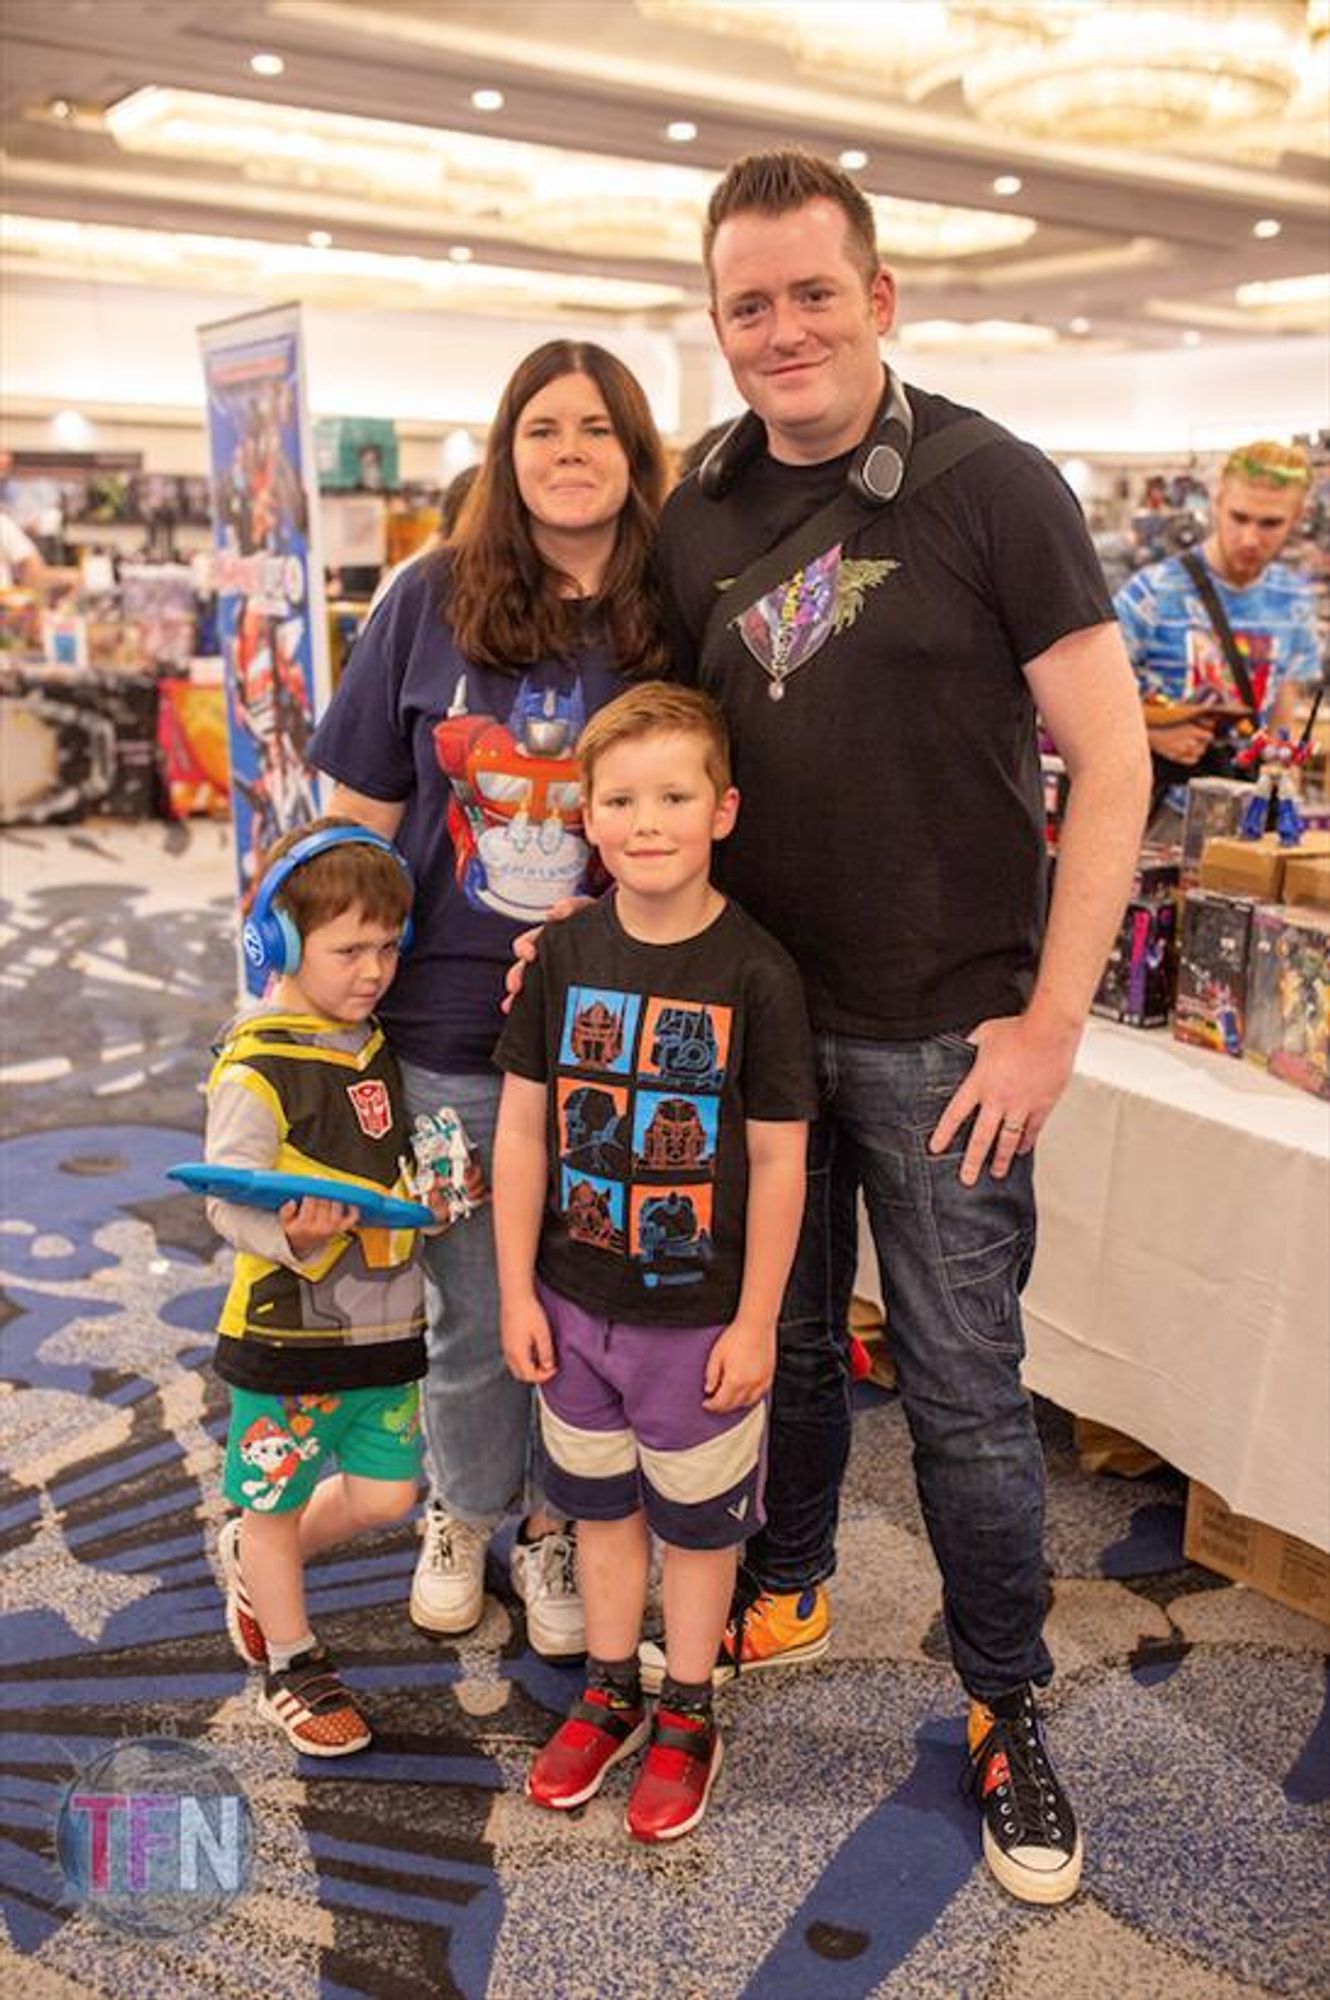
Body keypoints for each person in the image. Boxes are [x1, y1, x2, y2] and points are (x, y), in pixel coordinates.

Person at [640, 149, 1151, 1903]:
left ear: (882, 297)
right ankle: (791, 1571)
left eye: (810, 292)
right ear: (719, 324)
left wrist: (1053, 1024)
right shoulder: (696, 508)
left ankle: (1007, 1703)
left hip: (949, 1043)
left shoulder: (995, 483)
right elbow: (666, 752)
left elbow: (1118, 757)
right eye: (746, 305)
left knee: (962, 1396)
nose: (780, 330)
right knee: (776, 1351)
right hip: (759, 1031)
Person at [309, 341, 671, 1659]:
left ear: (633, 454)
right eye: (540, 428)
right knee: (468, 1301)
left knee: (588, 1313)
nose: (568, 450)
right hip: (446, 1029)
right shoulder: (425, 600)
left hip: (620, 1036)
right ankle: (463, 1509)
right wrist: (316, 1010)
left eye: (595, 428)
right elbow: (354, 820)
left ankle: (558, 1526)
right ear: (504, 452)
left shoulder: (675, 614)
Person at [492, 683, 814, 1841]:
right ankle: (612, 1685)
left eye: (674, 795)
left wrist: (757, 1318)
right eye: (619, 798)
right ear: (585, 815)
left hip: (700, 1315)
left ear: (722, 809)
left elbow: (782, 1163)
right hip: (575, 1305)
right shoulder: (563, 953)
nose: (647, 820)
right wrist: (515, 1285)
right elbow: (521, 1129)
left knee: (699, 1521)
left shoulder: (758, 974)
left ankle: (688, 1705)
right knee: (600, 1510)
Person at [206, 817, 480, 1755]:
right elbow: (224, 1203)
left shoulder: (373, 1043)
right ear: (280, 942)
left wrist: (433, 1193)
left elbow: (390, 1161)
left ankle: (254, 1558)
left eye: (386, 949)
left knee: (385, 1498)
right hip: (286, 1343)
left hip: (385, 1330)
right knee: (275, 1501)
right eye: (347, 949)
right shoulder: (256, 1064)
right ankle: (292, 1657)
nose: (372, 970)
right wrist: (287, 1235)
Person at [1114, 439, 1321, 834]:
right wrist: (1151, 733)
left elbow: (1283, 707)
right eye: (1238, 517)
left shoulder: (1293, 601)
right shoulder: (1152, 593)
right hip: (1153, 813)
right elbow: (1084, 700)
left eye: (1270, 523)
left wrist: (1280, 764)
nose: (1249, 538)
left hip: (1246, 810)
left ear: (1297, 519)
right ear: (1217, 503)